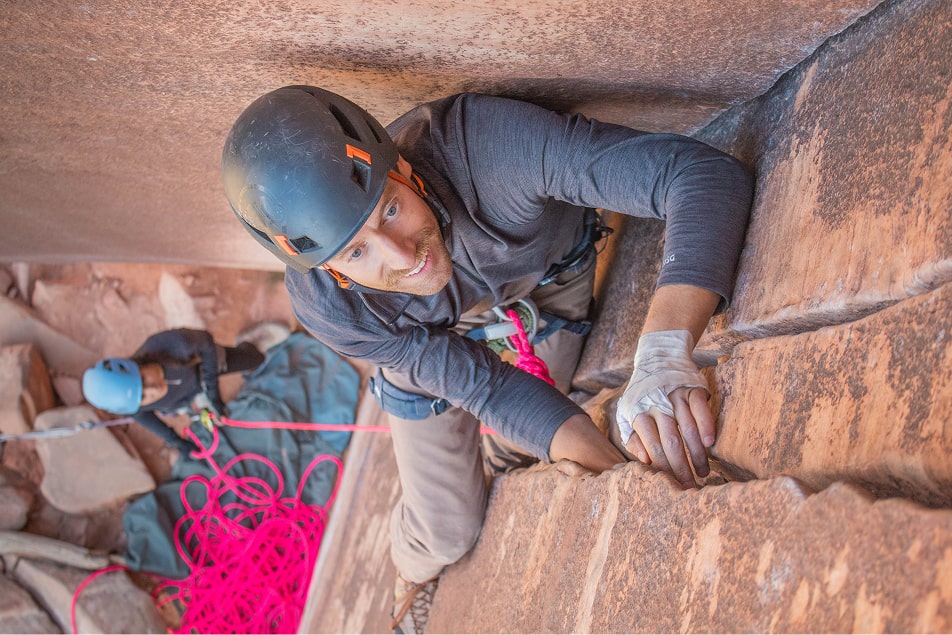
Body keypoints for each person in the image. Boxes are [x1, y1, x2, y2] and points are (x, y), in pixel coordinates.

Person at [221, 86, 754, 633]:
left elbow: (702, 177)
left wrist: (663, 354)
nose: (402, 256)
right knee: (448, 529)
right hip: (425, 348)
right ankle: (411, 569)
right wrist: (627, 491)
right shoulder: (333, 309)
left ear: (403, 167)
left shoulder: (485, 150)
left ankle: (498, 461)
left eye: (391, 209)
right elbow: (484, 388)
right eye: (357, 252)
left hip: (541, 286)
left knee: (526, 444)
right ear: (332, 271)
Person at [81, 326, 287, 453]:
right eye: (144, 397)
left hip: (201, 366)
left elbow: (205, 341)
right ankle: (203, 398)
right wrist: (181, 445)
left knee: (255, 360)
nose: (152, 390)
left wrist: (212, 389)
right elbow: (160, 430)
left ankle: (248, 343)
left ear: (136, 365)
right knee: (205, 413)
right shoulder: (135, 407)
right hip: (187, 397)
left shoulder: (164, 346)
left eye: (144, 379)